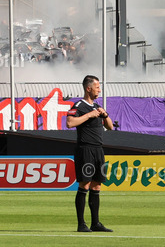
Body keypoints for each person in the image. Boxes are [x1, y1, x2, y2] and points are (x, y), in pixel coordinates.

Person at [66, 75, 114, 233]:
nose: (99, 90)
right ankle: (81, 224)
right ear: (88, 88)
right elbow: (70, 123)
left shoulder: (97, 106)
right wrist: (88, 115)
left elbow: (111, 127)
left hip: (98, 149)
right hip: (85, 149)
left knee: (97, 185)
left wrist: (104, 115)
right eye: (97, 87)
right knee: (84, 184)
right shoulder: (79, 105)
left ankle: (96, 223)